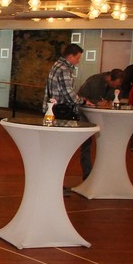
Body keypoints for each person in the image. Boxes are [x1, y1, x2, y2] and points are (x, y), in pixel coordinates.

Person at [43, 43, 95, 179]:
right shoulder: (64, 69)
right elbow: (69, 94)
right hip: (62, 112)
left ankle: (52, 178)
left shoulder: (56, 65)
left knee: (54, 147)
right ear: (70, 56)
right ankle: (58, 179)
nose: (78, 61)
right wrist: (82, 101)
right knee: (63, 148)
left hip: (52, 110)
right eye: (77, 58)